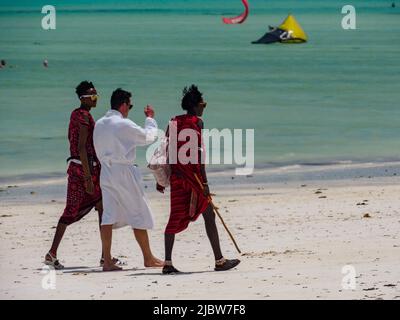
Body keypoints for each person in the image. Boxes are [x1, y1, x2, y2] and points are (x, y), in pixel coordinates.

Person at [157, 85, 240, 274]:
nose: (204, 106)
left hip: (177, 177)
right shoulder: (197, 122)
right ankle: (219, 261)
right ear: (195, 105)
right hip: (193, 178)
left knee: (174, 217)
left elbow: (165, 150)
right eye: (203, 103)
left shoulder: (173, 122)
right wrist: (205, 184)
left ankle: (168, 263)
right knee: (209, 215)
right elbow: (198, 155)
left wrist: (162, 176)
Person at [93, 88, 164, 271]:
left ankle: (107, 260)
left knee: (107, 215)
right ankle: (148, 258)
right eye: (130, 105)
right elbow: (149, 136)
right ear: (123, 105)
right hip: (122, 170)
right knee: (137, 211)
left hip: (105, 171)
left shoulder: (100, 123)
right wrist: (150, 118)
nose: (129, 109)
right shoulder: (122, 124)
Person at [44, 81, 104, 269]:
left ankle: (105, 255)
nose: (95, 99)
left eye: (96, 96)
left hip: (85, 168)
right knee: (71, 211)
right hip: (82, 170)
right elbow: (80, 148)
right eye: (92, 96)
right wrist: (87, 177)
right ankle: (52, 253)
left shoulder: (76, 114)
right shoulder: (83, 116)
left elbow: (71, 139)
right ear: (83, 98)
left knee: (102, 207)